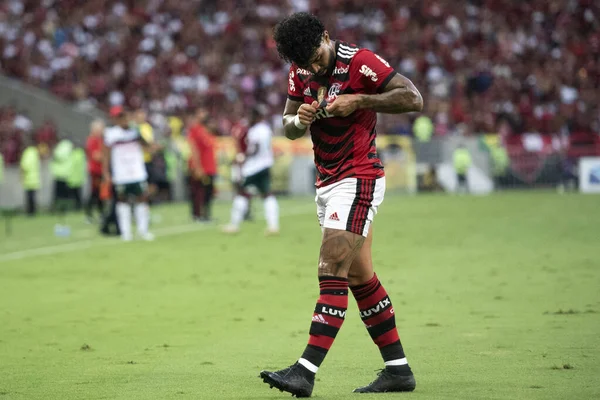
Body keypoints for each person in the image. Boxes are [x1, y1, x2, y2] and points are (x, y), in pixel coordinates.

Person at [259, 13, 423, 397]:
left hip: (358, 176)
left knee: (331, 266)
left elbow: (413, 98)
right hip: (327, 181)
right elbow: (287, 124)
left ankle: (305, 371)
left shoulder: (360, 62)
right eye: (304, 62)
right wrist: (298, 121)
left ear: (327, 36)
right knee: (359, 276)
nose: (313, 67)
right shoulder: (300, 71)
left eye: (316, 56)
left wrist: (361, 100)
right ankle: (398, 370)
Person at [222, 104, 279, 235]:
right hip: (265, 166)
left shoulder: (255, 130)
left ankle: (234, 225)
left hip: (253, 168)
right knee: (267, 194)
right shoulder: (266, 129)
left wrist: (243, 157)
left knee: (242, 194)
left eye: (252, 116)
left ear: (257, 116)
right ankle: (273, 226)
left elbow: (254, 149)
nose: (250, 118)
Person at [102, 106, 153, 241]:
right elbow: (105, 154)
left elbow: (147, 146)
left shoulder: (135, 130)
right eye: (119, 117)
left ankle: (143, 230)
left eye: (124, 116)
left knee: (142, 199)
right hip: (121, 173)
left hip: (137, 172)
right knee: (122, 201)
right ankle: (126, 232)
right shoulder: (111, 133)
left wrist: (137, 132)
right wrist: (106, 172)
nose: (123, 120)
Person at [187, 108, 217, 222]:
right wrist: (197, 167)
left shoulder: (207, 131)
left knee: (208, 192)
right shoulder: (195, 130)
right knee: (199, 192)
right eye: (201, 113)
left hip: (210, 167)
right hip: (202, 167)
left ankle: (206, 215)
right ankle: (198, 215)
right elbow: (194, 149)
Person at [51, 138, 74, 236]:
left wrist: (54, 151)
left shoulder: (63, 147)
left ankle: (61, 212)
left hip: (61, 175)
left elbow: (58, 156)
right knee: (64, 197)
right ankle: (63, 212)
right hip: (66, 175)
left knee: (60, 197)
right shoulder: (68, 147)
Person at [85, 119, 105, 222]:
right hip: (95, 171)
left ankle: (100, 213)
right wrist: (106, 157)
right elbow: (95, 156)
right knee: (95, 193)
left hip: (101, 170)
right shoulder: (92, 140)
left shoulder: (101, 140)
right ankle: (89, 214)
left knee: (100, 193)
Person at [19, 137, 41, 216]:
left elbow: (25, 166)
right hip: (35, 178)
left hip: (29, 179)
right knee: (33, 197)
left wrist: (21, 175)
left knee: (29, 198)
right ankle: (33, 212)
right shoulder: (35, 152)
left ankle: (30, 213)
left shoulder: (28, 153)